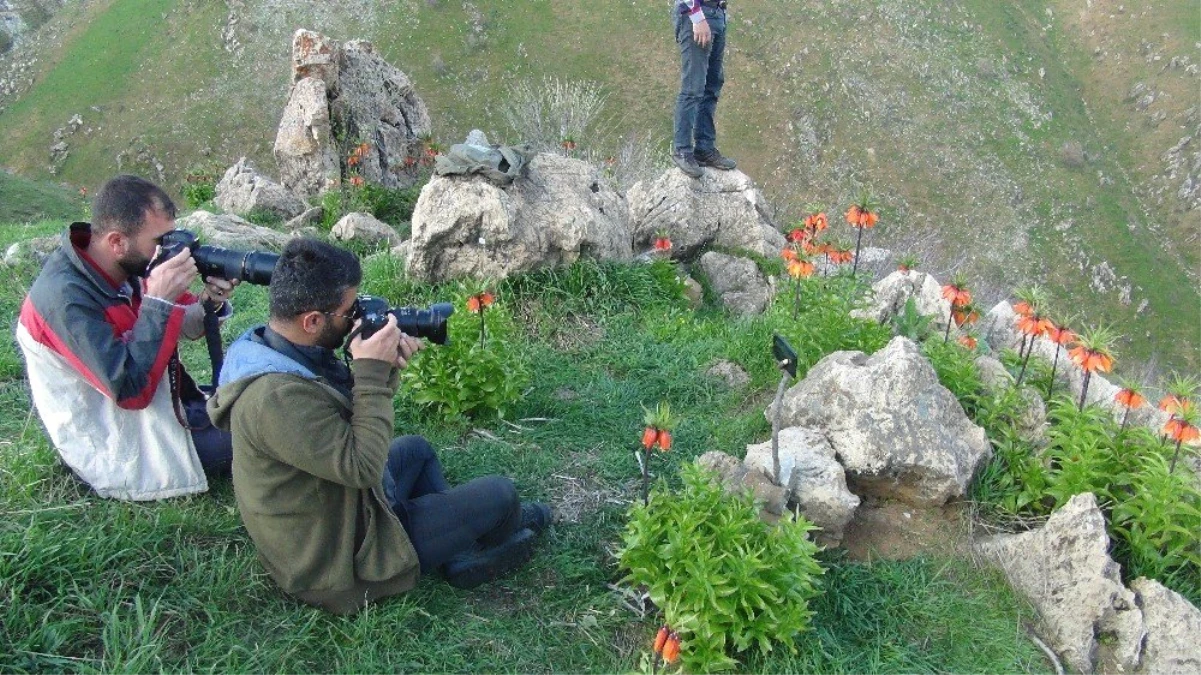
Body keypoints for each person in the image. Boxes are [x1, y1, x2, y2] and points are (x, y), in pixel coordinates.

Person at [206, 238, 551, 614]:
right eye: (347, 311)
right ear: (312, 321)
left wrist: (385, 371)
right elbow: (362, 466)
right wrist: (371, 373)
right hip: (333, 561)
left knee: (416, 450)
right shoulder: (273, 398)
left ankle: (458, 551)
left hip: (335, 508)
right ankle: (492, 535)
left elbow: (347, 418)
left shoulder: (279, 347)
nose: (358, 317)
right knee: (500, 495)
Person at [16, 174, 239, 500]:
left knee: (256, 398)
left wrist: (209, 301)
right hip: (122, 444)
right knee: (260, 431)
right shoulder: (65, 301)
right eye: (160, 241)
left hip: (166, 409)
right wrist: (158, 303)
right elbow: (130, 390)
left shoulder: (125, 265)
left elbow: (186, 324)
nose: (169, 252)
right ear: (117, 241)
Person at [672, 0, 738, 178]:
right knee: (693, 87)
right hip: (698, 15)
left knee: (712, 85)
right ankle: (682, 149)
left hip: (717, 13)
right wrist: (697, 17)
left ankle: (704, 148)